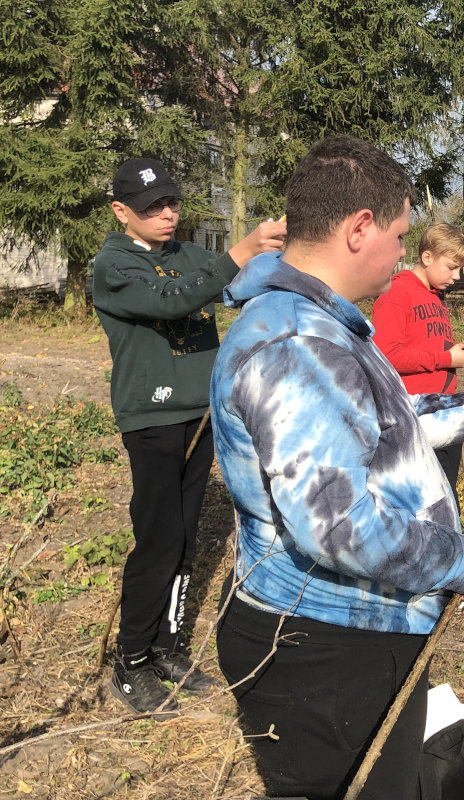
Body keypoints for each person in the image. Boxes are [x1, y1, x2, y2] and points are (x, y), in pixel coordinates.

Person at [210, 135, 464, 800]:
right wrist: (462, 562)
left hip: (349, 633)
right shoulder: (294, 344)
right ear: (359, 228)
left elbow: (389, 421)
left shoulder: (320, 326)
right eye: (399, 235)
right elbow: (341, 529)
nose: (401, 255)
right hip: (322, 649)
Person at [92, 156, 286, 716]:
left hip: (199, 415)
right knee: (158, 539)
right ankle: (130, 663)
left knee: (184, 539)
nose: (167, 213)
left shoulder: (187, 255)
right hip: (151, 420)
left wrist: (283, 250)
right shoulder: (113, 264)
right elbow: (171, 300)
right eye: (152, 206)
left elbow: (234, 281)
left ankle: (167, 648)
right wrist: (242, 250)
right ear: (121, 211)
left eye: (172, 202)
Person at [371, 223, 464, 613]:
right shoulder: (396, 293)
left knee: (446, 496)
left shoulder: (435, 297)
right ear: (427, 258)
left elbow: (424, 346)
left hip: (444, 411)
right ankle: (424, 585)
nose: (457, 277)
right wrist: (445, 357)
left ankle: (449, 578)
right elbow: (386, 355)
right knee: (420, 503)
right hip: (413, 416)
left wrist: (454, 351)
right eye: (452, 267)